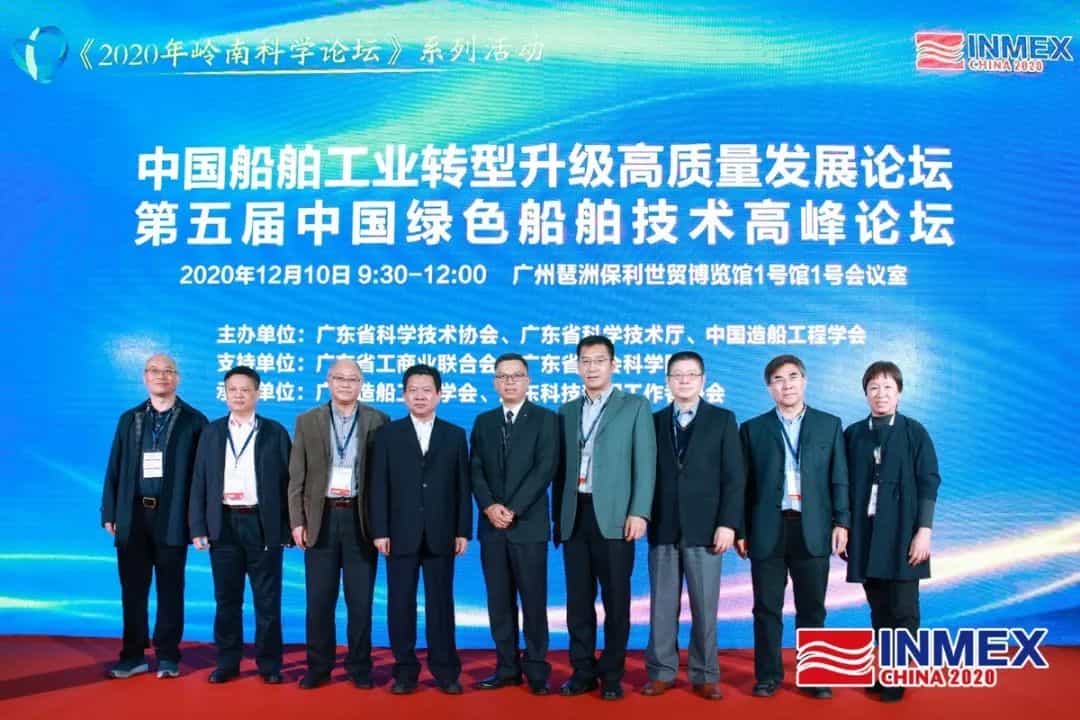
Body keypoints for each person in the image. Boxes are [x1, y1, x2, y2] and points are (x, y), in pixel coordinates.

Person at [737, 354, 849, 699]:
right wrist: (741, 530)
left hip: (812, 529)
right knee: (766, 608)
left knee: (812, 608)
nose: (786, 385)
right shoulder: (753, 429)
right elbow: (743, 485)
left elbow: (839, 478)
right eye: (778, 379)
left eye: (793, 376)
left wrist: (842, 521)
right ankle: (768, 676)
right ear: (769, 388)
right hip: (767, 529)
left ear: (804, 380)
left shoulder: (829, 424)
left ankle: (814, 676)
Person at [554, 335, 656, 700]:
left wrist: (639, 511)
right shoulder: (566, 411)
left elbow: (646, 464)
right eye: (585, 361)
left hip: (615, 516)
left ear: (613, 365)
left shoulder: (635, 406)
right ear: (577, 366)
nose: (592, 367)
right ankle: (582, 671)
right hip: (574, 515)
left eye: (599, 360)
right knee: (578, 602)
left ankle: (612, 674)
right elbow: (560, 469)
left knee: (616, 601)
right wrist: (557, 519)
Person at [642, 351, 744, 701]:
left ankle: (705, 674)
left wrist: (728, 523)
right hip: (663, 526)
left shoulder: (722, 419)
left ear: (703, 379)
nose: (684, 380)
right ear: (667, 381)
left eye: (691, 374)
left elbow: (734, 477)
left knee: (705, 607)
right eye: (677, 375)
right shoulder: (653, 421)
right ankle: (661, 672)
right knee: (662, 606)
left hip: (707, 529)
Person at [100, 353, 208, 679]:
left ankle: (168, 656)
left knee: (171, 589)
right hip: (133, 514)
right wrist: (109, 510)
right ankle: (132, 655)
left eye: (168, 371)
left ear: (178, 378)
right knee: (132, 590)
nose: (162, 376)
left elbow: (202, 478)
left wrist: (198, 521)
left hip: (172, 515)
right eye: (154, 371)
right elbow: (115, 466)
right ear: (145, 377)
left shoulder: (195, 421)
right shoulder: (129, 419)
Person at [370, 364, 472, 695]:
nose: (420, 396)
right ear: (403, 396)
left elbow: (462, 486)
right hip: (399, 533)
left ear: (439, 395)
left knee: (441, 605)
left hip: (442, 533)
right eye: (413, 390)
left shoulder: (454, 435)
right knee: (400, 604)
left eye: (427, 390)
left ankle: (445, 671)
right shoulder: (387, 434)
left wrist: (462, 530)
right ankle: (405, 671)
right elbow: (378, 485)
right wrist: (380, 530)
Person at [843, 361, 941, 703]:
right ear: (865, 394)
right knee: (880, 609)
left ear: (898, 393)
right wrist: (843, 528)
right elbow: (840, 485)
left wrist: (924, 531)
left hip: (903, 533)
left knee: (903, 609)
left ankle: (898, 674)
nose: (881, 394)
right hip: (867, 534)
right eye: (874, 387)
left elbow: (929, 482)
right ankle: (886, 670)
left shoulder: (915, 432)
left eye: (887, 387)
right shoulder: (854, 434)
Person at [288, 359, 389, 689]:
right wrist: (297, 521)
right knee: (319, 601)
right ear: (328, 381)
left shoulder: (378, 420)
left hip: (361, 520)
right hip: (322, 518)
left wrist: (383, 525)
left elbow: (383, 479)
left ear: (362, 383)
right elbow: (296, 476)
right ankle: (318, 667)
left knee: (360, 602)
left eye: (353, 379)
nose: (346, 384)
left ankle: (360, 667)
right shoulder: (307, 420)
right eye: (339, 378)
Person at [189, 365, 292, 684]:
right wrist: (198, 526)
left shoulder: (275, 432)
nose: (238, 395)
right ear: (225, 394)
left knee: (267, 600)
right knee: (227, 600)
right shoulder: (211, 432)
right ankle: (227, 661)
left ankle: (269, 664)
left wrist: (286, 528)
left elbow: (289, 483)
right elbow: (199, 480)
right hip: (223, 523)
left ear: (257, 393)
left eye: (245, 389)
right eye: (232, 389)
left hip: (262, 524)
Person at [470, 353, 557, 695]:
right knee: (499, 602)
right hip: (492, 527)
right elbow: (475, 469)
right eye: (503, 376)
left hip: (529, 526)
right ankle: (506, 668)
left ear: (528, 380)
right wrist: (490, 506)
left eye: (516, 376)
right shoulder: (484, 421)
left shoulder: (546, 419)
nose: (509, 382)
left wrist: (513, 509)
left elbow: (545, 468)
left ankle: (536, 670)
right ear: (495, 382)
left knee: (533, 602)